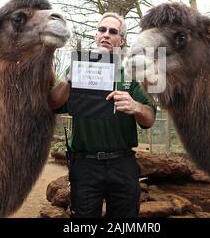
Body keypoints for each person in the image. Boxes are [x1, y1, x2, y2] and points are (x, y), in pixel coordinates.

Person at [50, 12, 156, 218]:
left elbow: (150, 118)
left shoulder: (132, 74)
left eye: (113, 31)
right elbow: (53, 104)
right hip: (85, 164)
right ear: (96, 36)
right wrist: (69, 80)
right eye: (101, 30)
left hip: (122, 163)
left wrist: (136, 106)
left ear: (122, 40)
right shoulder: (78, 69)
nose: (106, 35)